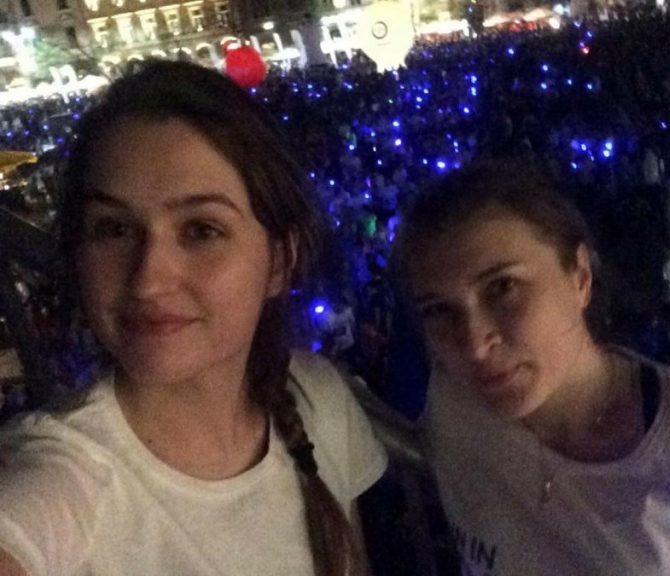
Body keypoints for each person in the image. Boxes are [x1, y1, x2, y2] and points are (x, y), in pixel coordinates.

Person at [0, 60, 387, 576]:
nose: (148, 280)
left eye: (201, 230)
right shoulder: (63, 475)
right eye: (114, 229)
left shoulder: (320, 399)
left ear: (279, 261)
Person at [393, 160, 670, 575]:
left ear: (581, 277)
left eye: (503, 287)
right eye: (439, 310)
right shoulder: (452, 399)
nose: (475, 345)